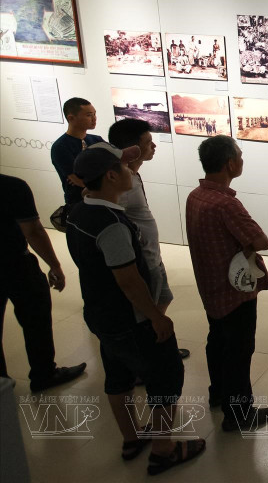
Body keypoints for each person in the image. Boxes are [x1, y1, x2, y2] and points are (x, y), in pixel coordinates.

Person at [66, 143, 204, 473]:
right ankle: (163, 450)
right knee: (165, 377)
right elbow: (128, 279)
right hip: (132, 319)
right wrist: (156, 316)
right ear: (111, 176)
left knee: (118, 378)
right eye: (125, 169)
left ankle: (132, 440)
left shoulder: (79, 211)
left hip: (101, 316)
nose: (131, 172)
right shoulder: (111, 223)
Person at [185, 136, 268, 431]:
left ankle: (218, 393)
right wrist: (247, 248)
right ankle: (238, 415)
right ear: (230, 164)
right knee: (239, 350)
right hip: (234, 292)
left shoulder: (196, 196)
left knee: (217, 341)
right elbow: (261, 241)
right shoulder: (226, 204)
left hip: (209, 287)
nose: (242, 160)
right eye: (240, 155)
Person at [108, 119, 189, 361]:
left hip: (152, 254)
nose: (154, 146)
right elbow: (114, 217)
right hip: (144, 258)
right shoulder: (124, 182)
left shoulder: (131, 176)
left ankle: (153, 347)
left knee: (163, 297)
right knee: (147, 311)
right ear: (131, 149)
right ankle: (148, 357)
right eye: (148, 143)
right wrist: (140, 242)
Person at [0, 173, 86, 391]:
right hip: (14, 263)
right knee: (35, 320)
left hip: (14, 263)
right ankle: (44, 374)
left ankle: (2, 385)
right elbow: (33, 231)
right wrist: (55, 265)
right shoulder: (12, 186)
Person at [50, 98, 105, 228]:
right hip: (78, 203)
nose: (94, 118)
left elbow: (112, 166)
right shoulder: (60, 146)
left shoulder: (96, 140)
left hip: (101, 200)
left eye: (94, 114)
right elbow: (76, 179)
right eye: (88, 115)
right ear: (71, 118)